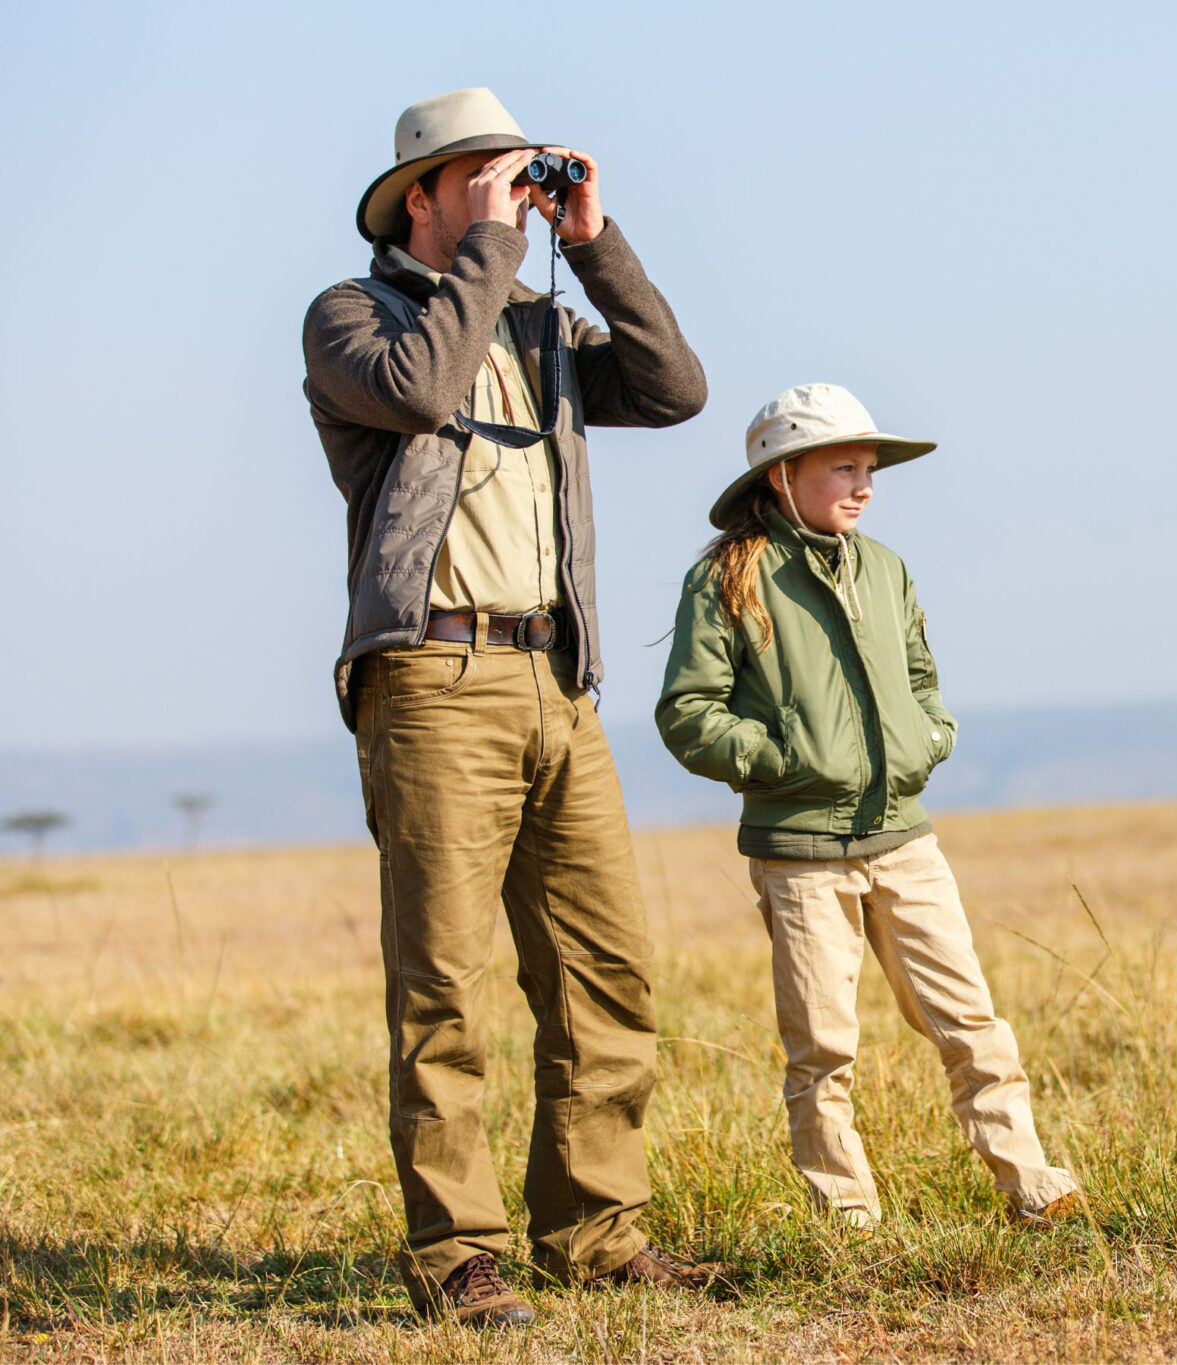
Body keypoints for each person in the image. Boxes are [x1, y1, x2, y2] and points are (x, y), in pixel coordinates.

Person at [301, 88, 709, 1326]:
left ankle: (592, 1229)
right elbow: (421, 391)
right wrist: (491, 246)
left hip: (554, 677)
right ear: (416, 197)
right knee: (443, 982)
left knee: (605, 970)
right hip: (430, 677)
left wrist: (591, 238)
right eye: (476, 174)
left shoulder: (538, 321)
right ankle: (455, 1255)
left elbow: (674, 386)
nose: (502, 190)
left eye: (511, 172)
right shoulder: (349, 317)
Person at [654, 383, 1084, 1229]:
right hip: (799, 853)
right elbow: (688, 711)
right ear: (782, 477)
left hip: (905, 841)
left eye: (870, 467)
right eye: (844, 466)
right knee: (821, 1046)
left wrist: (931, 737)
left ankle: (1030, 1181)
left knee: (970, 1018)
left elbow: (922, 680)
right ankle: (845, 1211)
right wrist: (783, 760)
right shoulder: (725, 578)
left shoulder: (884, 568)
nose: (866, 484)